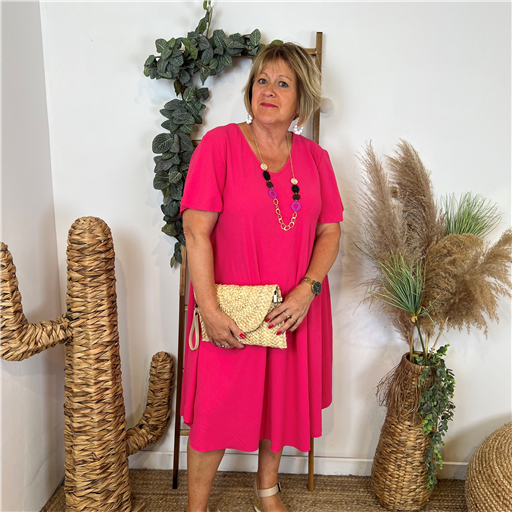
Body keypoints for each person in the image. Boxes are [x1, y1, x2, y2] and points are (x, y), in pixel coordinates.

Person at [180, 42, 344, 512]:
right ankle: (196, 508)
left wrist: (308, 290)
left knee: (280, 401)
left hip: (294, 307)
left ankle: (266, 489)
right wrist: (208, 310)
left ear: (301, 101)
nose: (268, 90)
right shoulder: (220, 146)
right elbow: (195, 231)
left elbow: (330, 231)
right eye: (262, 81)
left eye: (283, 83)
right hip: (230, 306)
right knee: (215, 411)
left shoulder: (315, 159)